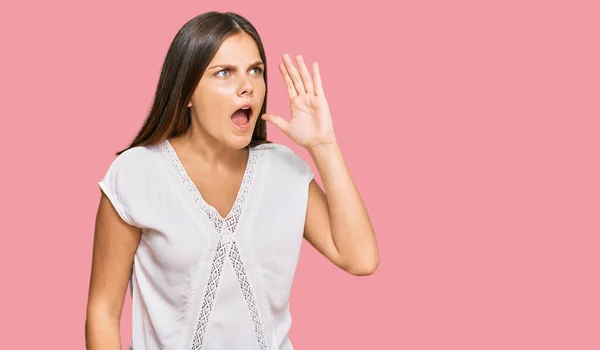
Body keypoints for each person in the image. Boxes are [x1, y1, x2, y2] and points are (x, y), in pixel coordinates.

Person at [85, 11, 379, 350]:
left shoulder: (284, 170)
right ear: (188, 93)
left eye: (255, 70)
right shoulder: (138, 174)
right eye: (224, 73)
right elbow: (103, 312)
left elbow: (361, 259)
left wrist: (324, 146)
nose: (247, 86)